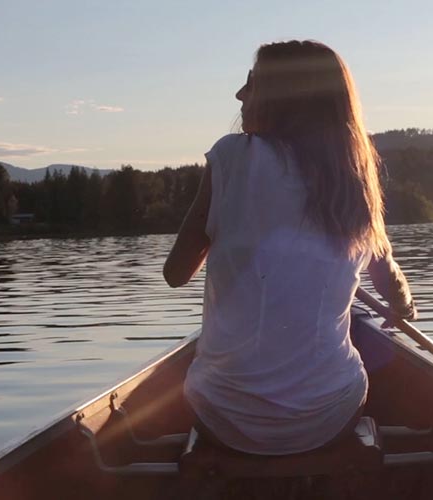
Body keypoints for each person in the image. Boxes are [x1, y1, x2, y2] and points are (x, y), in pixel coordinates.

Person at [163, 40, 416, 455]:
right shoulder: (354, 177)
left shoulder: (229, 157)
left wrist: (224, 229)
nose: (240, 96)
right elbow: (391, 280)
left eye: (251, 84)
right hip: (328, 416)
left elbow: (175, 275)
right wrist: (405, 308)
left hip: (223, 415)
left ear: (287, 99)